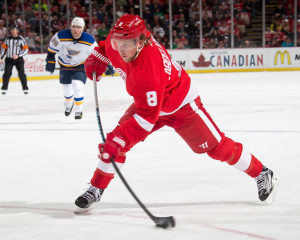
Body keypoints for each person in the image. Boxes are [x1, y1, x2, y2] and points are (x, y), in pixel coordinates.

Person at [74, 14, 279, 212]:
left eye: (127, 44)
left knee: (218, 148)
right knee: (116, 142)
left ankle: (262, 173)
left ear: (142, 41)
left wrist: (119, 138)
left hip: (182, 106)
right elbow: (107, 44)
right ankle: (96, 188)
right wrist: (100, 53)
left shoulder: (148, 68)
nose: (121, 48)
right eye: (118, 42)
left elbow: (146, 119)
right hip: (148, 102)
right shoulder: (118, 39)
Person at [45, 17, 114, 119]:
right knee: (66, 88)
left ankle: (78, 109)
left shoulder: (89, 40)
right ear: (70, 27)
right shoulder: (60, 36)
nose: (76, 30)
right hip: (64, 65)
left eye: (78, 27)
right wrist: (50, 61)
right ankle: (68, 104)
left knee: (77, 86)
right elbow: (51, 51)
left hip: (81, 65)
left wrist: (108, 65)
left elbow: (98, 54)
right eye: (74, 27)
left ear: (82, 28)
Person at [0, 26, 29, 95]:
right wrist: (1, 57)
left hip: (19, 60)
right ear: (10, 31)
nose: (13, 31)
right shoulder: (7, 39)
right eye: (12, 30)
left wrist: (18, 55)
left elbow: (26, 49)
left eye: (15, 30)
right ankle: (4, 89)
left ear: (17, 31)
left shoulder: (21, 39)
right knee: (7, 74)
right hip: (9, 59)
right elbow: (3, 49)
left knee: (22, 74)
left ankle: (25, 88)